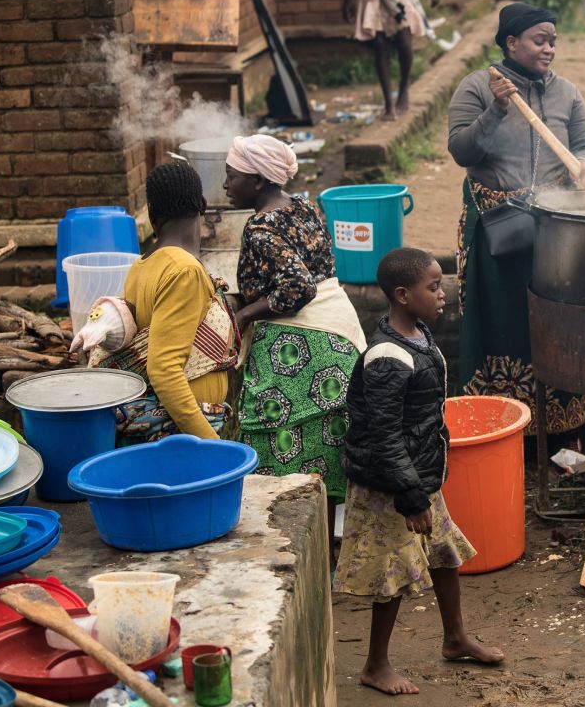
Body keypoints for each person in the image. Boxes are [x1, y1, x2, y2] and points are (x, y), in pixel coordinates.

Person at [334, 247, 504, 696]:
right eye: (433, 286)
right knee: (390, 571)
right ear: (403, 294)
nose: (442, 291)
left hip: (416, 476)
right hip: (389, 485)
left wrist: (422, 483)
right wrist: (409, 496)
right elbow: (386, 435)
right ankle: (375, 665)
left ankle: (454, 638)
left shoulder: (419, 335)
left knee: (442, 554)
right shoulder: (386, 358)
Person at [447, 2, 585, 437]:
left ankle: (561, 428)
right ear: (511, 42)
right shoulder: (477, 87)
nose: (549, 48)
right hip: (495, 227)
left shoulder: (566, 92)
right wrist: (496, 109)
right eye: (539, 40)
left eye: (553, 40)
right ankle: (501, 425)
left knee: (551, 318)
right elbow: (462, 151)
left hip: (554, 225)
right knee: (502, 319)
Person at [224, 134, 367, 509]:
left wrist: (244, 313)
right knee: (331, 451)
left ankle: (303, 553)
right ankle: (330, 555)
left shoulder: (260, 227)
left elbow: (299, 287)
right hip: (341, 337)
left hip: (302, 351)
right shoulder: (302, 206)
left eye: (231, 176)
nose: (225, 185)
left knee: (281, 458)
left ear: (257, 181)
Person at [84, 162, 237, 442]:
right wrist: (210, 445)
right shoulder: (183, 271)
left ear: (153, 215)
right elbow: (164, 369)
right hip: (181, 432)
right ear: (202, 205)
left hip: (170, 426)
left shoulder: (141, 266)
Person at [343, 0, 441, 120]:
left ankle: (403, 87)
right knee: (380, 47)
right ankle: (389, 104)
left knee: (404, 44)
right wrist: (347, 0)